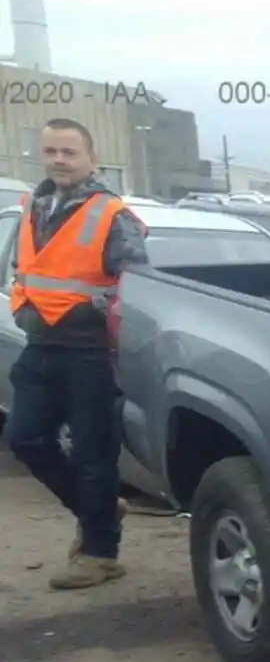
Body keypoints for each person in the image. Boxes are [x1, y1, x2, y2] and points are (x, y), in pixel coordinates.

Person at [7, 118, 149, 590]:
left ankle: (99, 553)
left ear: (91, 158)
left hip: (90, 353)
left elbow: (135, 283)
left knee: (93, 454)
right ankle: (102, 510)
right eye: (51, 151)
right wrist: (22, 303)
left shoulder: (112, 215)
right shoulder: (33, 205)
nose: (59, 160)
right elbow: (26, 269)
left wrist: (96, 311)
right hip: (41, 344)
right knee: (25, 438)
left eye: (69, 152)